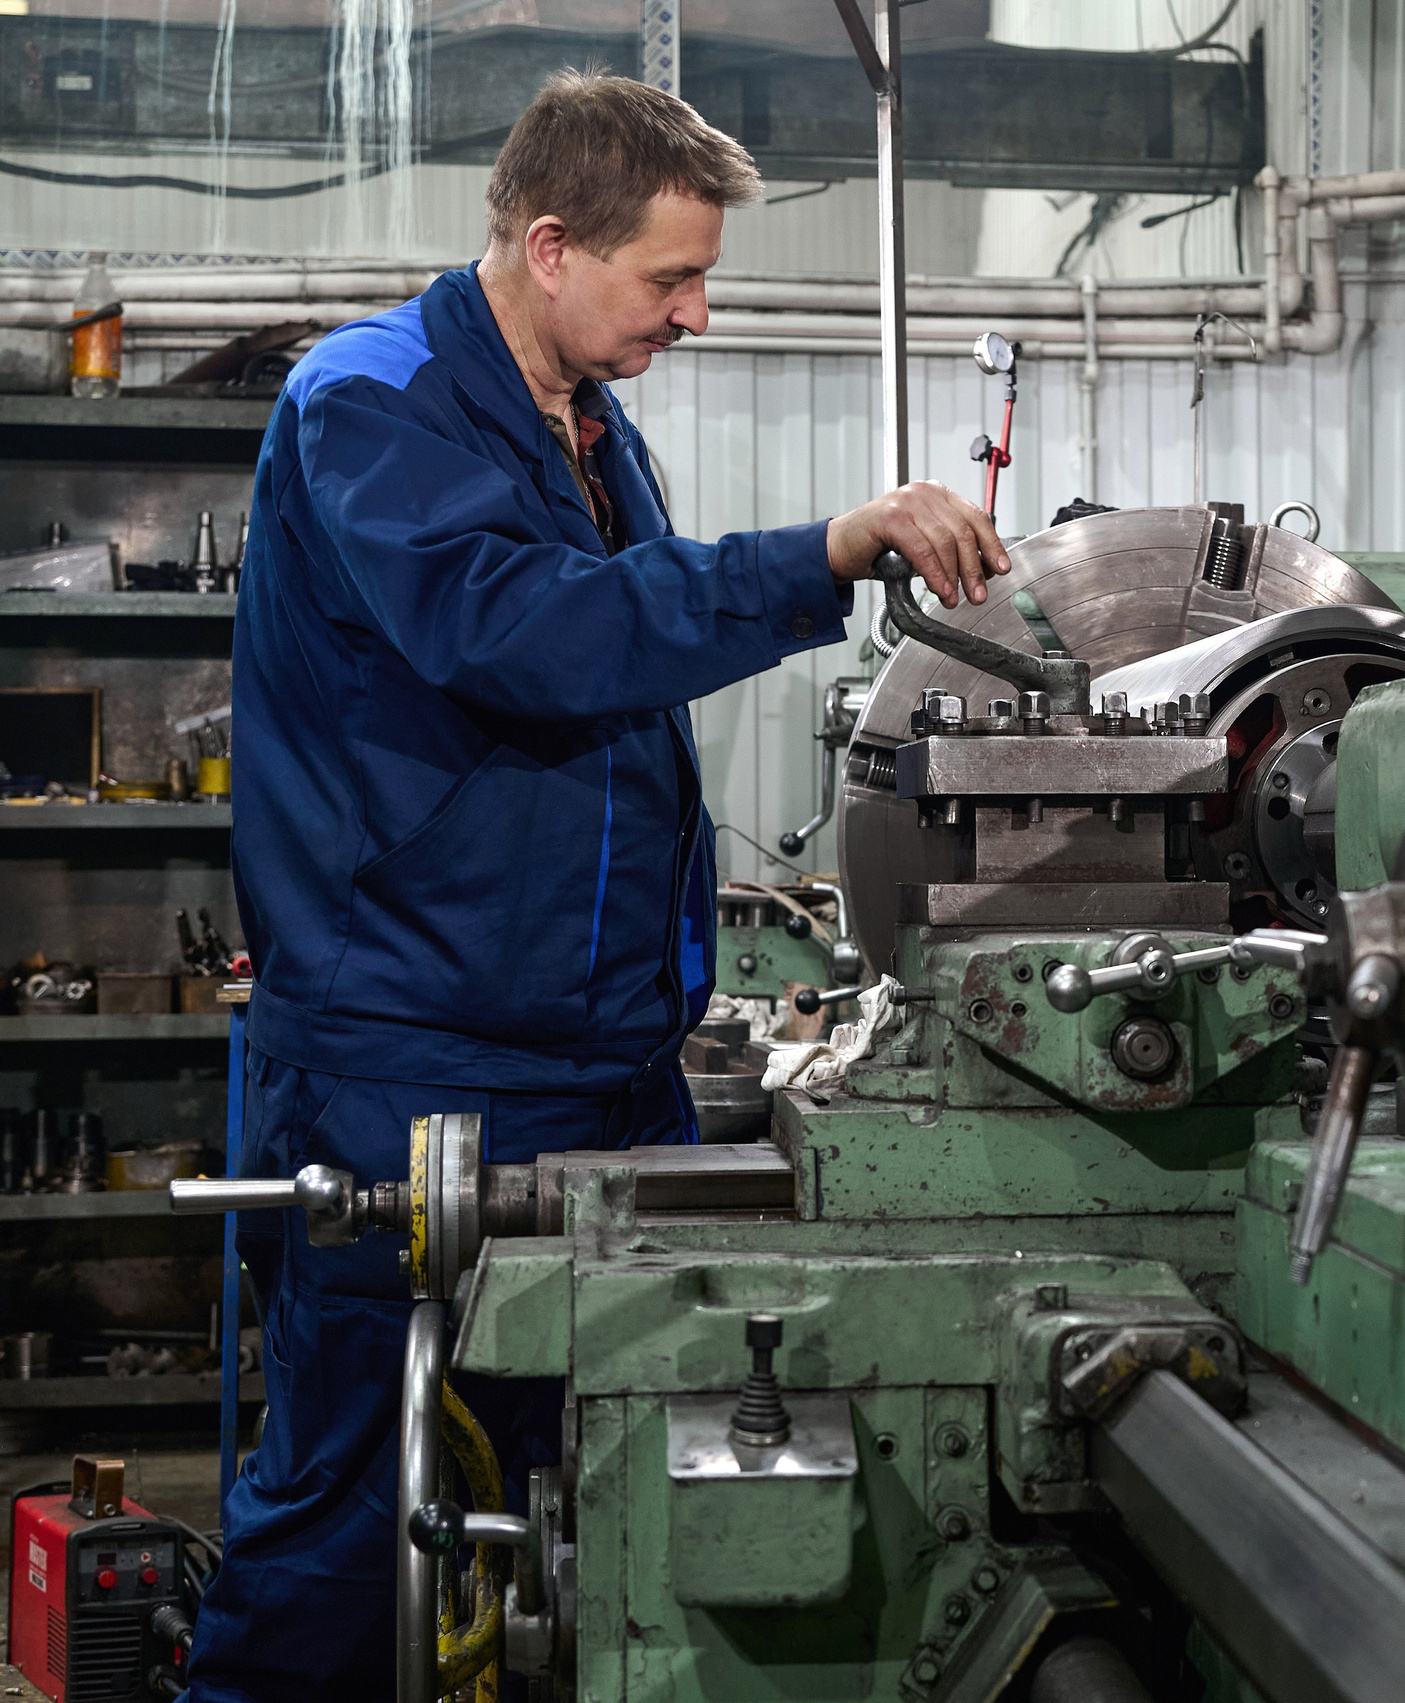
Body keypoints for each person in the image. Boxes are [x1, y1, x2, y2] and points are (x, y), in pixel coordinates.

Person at [182, 70, 1007, 1700]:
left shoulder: (583, 418)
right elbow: (537, 635)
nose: (696, 314)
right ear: (551, 245)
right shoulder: (373, 401)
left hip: (606, 1060)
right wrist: (821, 552)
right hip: (407, 1058)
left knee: (602, 1489)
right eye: (671, 280)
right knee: (353, 1519)